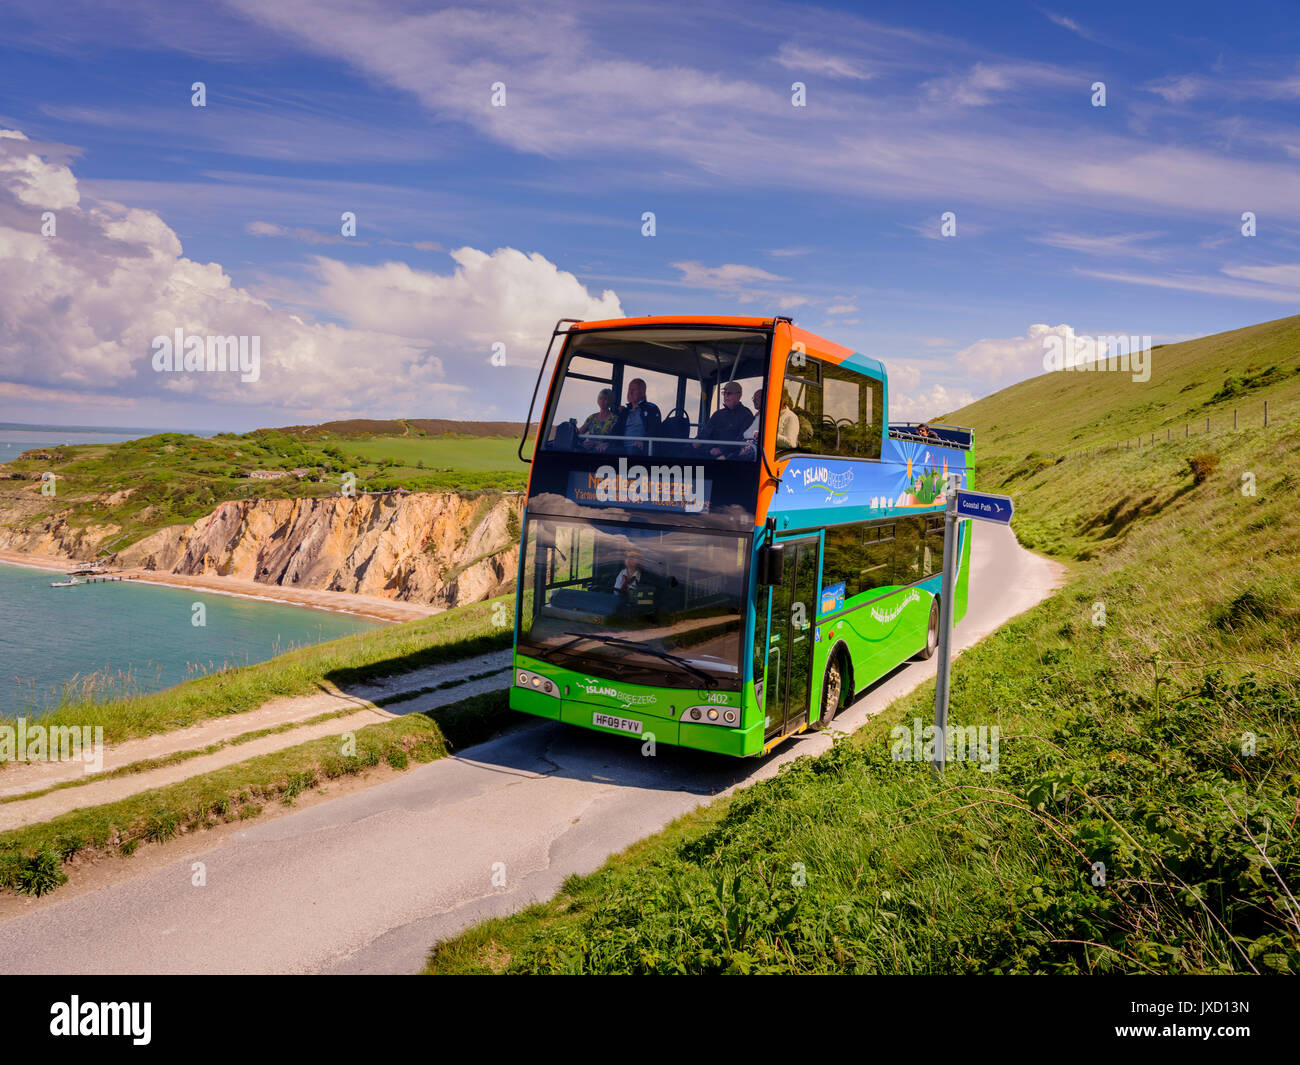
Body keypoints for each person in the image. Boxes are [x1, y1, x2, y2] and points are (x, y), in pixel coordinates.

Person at [697, 381, 754, 459]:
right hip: (709, 451)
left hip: (730, 456)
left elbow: (743, 440)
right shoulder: (718, 414)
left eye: (729, 393)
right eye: (724, 393)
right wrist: (697, 441)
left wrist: (721, 449)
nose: (726, 396)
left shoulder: (746, 415)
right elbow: (705, 433)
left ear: (739, 395)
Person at [611, 378, 662, 454]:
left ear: (642, 392)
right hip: (621, 447)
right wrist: (606, 442)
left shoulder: (651, 409)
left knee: (632, 451)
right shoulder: (624, 411)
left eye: (634, 390)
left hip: (640, 448)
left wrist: (644, 442)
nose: (630, 393)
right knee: (602, 451)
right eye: (629, 390)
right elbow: (615, 430)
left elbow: (655, 429)